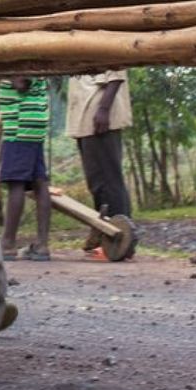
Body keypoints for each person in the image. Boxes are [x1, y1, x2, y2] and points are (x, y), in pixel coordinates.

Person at [66, 70, 133, 259]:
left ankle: (120, 240)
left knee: (109, 181)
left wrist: (104, 109)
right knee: (97, 183)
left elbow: (117, 74)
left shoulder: (106, 40)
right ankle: (107, 238)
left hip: (98, 115)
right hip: (85, 118)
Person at [0, 76, 52, 261]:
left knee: (16, 183)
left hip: (19, 124)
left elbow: (20, 81)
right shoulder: (37, 54)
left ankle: (7, 243)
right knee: (39, 182)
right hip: (34, 121)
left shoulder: (15, 53)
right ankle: (42, 245)